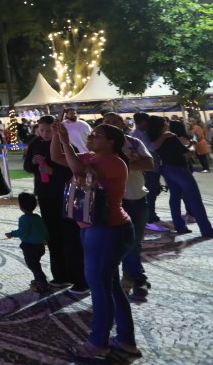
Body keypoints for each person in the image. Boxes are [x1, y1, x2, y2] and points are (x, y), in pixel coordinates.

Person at [52, 121, 139, 361]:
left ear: (111, 142)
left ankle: (97, 344)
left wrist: (66, 143)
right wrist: (58, 137)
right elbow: (57, 157)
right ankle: (125, 340)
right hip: (94, 228)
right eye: (91, 134)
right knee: (111, 287)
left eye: (96, 135)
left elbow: (78, 172)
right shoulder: (90, 156)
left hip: (108, 229)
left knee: (100, 288)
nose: (90, 137)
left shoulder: (113, 162)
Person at [22, 114, 86, 291]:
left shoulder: (67, 146)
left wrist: (53, 171)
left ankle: (78, 277)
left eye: (48, 131)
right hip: (45, 195)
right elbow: (27, 166)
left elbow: (74, 172)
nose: (44, 134)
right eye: (41, 130)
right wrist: (33, 163)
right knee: (53, 237)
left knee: (70, 237)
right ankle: (60, 275)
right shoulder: (35, 144)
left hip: (64, 195)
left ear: (56, 130)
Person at [102, 113, 155, 301]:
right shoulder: (99, 146)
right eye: (107, 122)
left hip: (135, 197)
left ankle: (132, 278)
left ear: (122, 124)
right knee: (117, 242)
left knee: (134, 241)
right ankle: (135, 278)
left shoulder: (133, 142)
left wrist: (121, 164)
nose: (111, 124)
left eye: (114, 121)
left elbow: (149, 163)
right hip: (111, 200)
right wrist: (130, 162)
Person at [145, 115, 213, 237]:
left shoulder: (154, 138)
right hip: (179, 169)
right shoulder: (170, 137)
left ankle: (179, 226)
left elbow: (155, 148)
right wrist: (193, 144)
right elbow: (189, 153)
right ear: (162, 126)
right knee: (195, 199)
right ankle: (206, 230)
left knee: (175, 197)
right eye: (165, 123)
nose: (167, 124)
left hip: (166, 168)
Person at [5, 192, 50, 293]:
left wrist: (12, 234)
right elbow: (44, 229)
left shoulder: (24, 219)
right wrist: (45, 238)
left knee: (33, 265)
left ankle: (42, 282)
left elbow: (23, 232)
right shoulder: (37, 217)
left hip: (30, 247)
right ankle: (39, 279)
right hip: (40, 247)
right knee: (36, 264)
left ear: (21, 206)